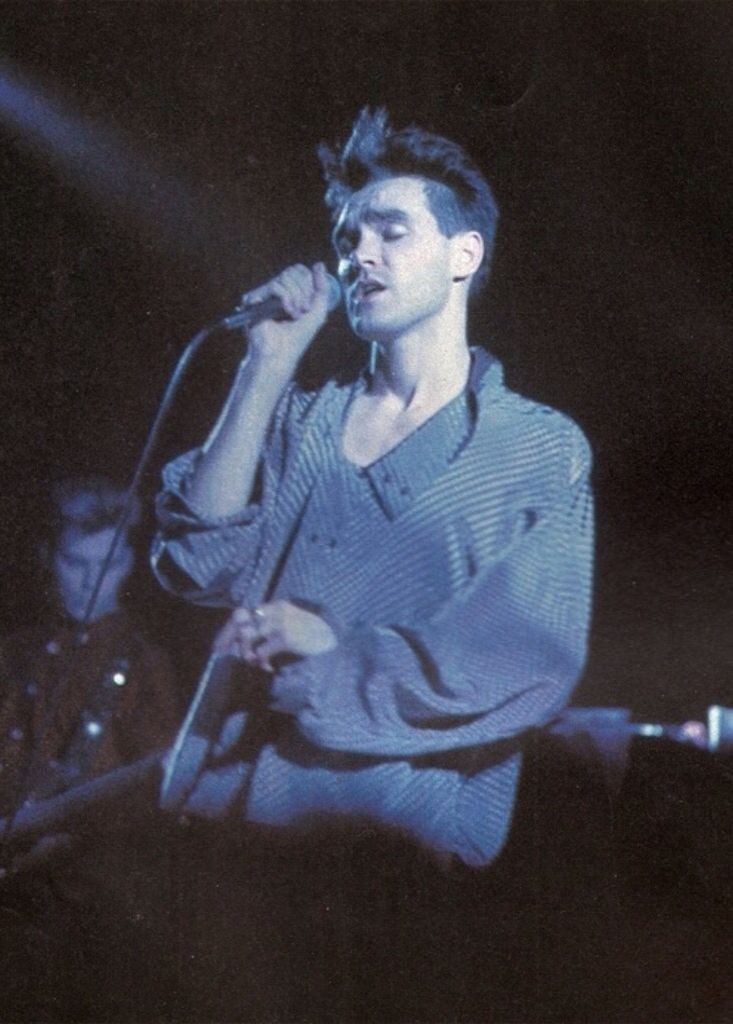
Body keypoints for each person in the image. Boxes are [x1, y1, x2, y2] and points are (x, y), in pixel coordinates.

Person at [152, 108, 595, 1019]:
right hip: (225, 845)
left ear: (463, 253)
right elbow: (198, 561)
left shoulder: (536, 450)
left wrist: (334, 654)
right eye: (347, 239)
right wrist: (265, 366)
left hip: (389, 869)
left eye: (391, 232)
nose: (360, 256)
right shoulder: (301, 419)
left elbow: (527, 656)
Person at [0, 476, 180, 1021]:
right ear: (46, 558)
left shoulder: (145, 664)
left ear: (130, 565)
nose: (89, 582)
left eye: (108, 564)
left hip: (82, 906)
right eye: (74, 562)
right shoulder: (14, 653)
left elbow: (157, 797)